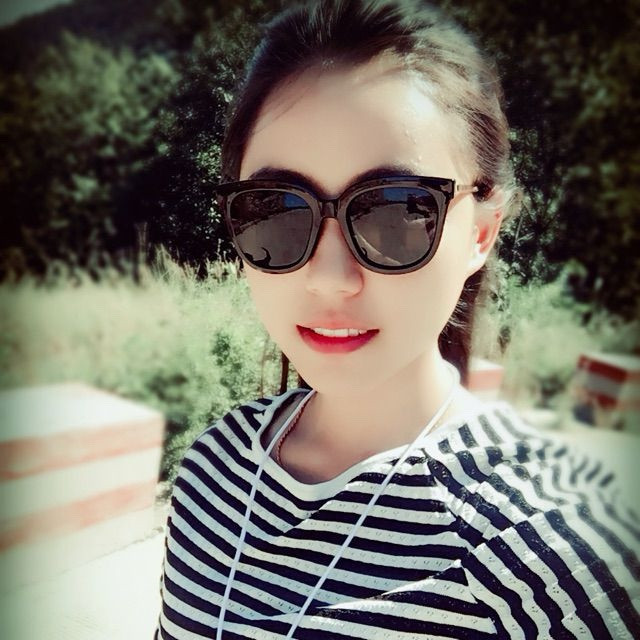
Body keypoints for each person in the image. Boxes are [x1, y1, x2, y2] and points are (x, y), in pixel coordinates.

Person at [154, 1, 639, 638]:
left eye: (398, 212)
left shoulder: (550, 547)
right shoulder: (213, 470)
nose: (330, 277)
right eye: (275, 210)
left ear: (481, 232)